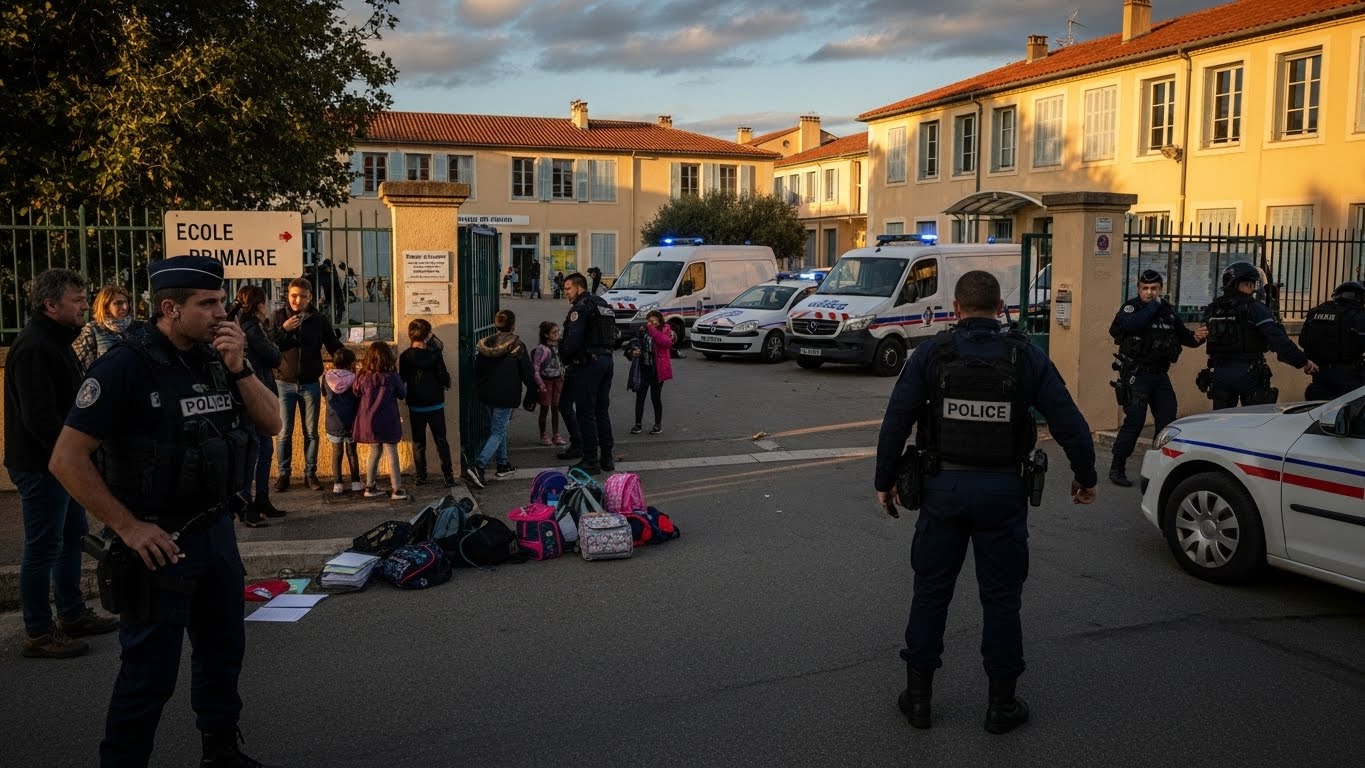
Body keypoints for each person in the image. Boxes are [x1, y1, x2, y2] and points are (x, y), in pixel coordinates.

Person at [48, 255, 283, 767]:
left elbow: (272, 424)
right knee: (148, 675)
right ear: (171, 309)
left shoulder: (218, 356)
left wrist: (240, 366)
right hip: (159, 545)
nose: (222, 313)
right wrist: (128, 527)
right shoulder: (125, 365)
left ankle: (221, 752)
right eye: (210, 304)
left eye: (222, 301)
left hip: (216, 532)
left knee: (223, 655)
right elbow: (66, 459)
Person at [874, 270, 1097, 735]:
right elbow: (1067, 420)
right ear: (1000, 310)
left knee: (931, 592)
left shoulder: (932, 354)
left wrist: (884, 480)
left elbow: (897, 419)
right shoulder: (1025, 356)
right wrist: (1085, 475)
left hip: (944, 490)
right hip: (1003, 493)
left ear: (956, 309)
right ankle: (1001, 705)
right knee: (1001, 599)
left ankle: (918, 700)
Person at [5, 268, 117, 659]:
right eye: (76, 299)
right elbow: (40, 418)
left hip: (58, 464)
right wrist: (69, 460)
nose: (85, 305)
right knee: (43, 548)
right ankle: (38, 630)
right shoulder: (34, 347)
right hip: (44, 466)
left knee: (71, 538)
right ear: (51, 305)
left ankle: (72, 613)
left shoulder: (55, 340)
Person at [1106, 270, 1207, 487]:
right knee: (1134, 422)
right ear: (1138, 289)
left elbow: (1184, 337)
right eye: (1145, 288)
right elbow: (1131, 326)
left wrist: (1197, 338)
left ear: (1160, 289)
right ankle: (1117, 468)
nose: (1150, 293)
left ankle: (1160, 471)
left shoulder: (1167, 312)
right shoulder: (1131, 308)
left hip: (1160, 377)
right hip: (1137, 375)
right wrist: (1153, 306)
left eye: (1154, 289)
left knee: (1167, 424)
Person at [1201, 261, 1317, 410]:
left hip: (1219, 373)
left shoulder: (1213, 308)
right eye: (1253, 284)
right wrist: (1303, 362)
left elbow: (1201, 336)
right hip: (1248, 374)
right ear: (1246, 285)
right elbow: (1279, 341)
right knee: (1256, 421)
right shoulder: (1254, 308)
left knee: (1220, 420)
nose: (1254, 289)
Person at [269, 277, 343, 491]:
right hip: (284, 382)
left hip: (310, 382)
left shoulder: (319, 320)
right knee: (284, 432)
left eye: (302, 296)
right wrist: (284, 329)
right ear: (287, 296)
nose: (297, 300)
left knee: (311, 432)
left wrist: (345, 363)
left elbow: (333, 344)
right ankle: (284, 474)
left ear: (310, 297)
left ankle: (311, 473)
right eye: (293, 295)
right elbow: (270, 343)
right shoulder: (278, 316)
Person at [464, 309, 536, 489]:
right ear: (513, 326)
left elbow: (477, 370)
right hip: (506, 395)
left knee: (498, 429)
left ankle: (503, 463)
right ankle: (478, 465)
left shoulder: (485, 344)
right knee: (498, 431)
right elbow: (527, 372)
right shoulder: (517, 346)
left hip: (487, 394)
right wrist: (532, 393)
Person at [235, 285, 285, 525]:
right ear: (258, 304)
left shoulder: (244, 325)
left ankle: (261, 499)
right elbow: (273, 355)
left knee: (263, 449)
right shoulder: (252, 327)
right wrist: (274, 347)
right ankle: (247, 504)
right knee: (256, 450)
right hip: (255, 392)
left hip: (256, 391)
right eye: (265, 302)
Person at [560, 272, 617, 474]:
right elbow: (614, 334)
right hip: (606, 360)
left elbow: (573, 340)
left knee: (586, 413)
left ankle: (591, 459)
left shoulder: (581, 307)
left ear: (578, 286)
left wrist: (564, 358)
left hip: (588, 364)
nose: (565, 293)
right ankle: (607, 458)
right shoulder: (603, 303)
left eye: (568, 289)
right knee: (601, 411)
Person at [399, 318, 455, 487]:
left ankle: (421, 476)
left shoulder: (405, 356)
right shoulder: (435, 354)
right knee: (441, 440)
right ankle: (448, 476)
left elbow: (403, 379)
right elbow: (443, 376)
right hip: (435, 402)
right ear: (426, 336)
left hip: (416, 403)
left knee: (418, 442)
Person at [352, 341, 408, 500]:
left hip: (369, 421)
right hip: (388, 419)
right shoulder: (392, 377)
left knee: (374, 453)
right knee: (392, 454)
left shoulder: (363, 377)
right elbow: (402, 394)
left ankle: (370, 486)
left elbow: (355, 391)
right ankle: (396, 489)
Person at [1298, 281, 1365, 400]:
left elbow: (1302, 341)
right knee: (1347, 414)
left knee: (1320, 410)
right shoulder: (1359, 316)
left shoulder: (1316, 312)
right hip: (1349, 375)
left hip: (1319, 372)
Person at [74, 284, 145, 371]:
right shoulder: (92, 329)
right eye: (118, 303)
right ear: (105, 306)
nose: (125, 307)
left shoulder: (141, 327)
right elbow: (84, 369)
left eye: (126, 302)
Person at [625, 309, 673, 435]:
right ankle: (638, 424)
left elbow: (665, 342)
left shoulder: (665, 329)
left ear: (659, 319)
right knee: (640, 397)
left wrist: (652, 330)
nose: (650, 323)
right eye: (648, 321)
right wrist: (635, 350)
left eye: (652, 320)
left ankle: (658, 424)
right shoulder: (644, 330)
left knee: (655, 398)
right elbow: (636, 343)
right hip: (644, 368)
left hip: (657, 370)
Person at [323, 347, 363, 495]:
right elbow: (359, 396)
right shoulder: (355, 378)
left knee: (337, 453)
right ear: (350, 363)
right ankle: (356, 482)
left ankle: (337, 483)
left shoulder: (326, 378)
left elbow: (324, 395)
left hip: (333, 421)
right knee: (352, 452)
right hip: (352, 421)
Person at [532, 321, 567, 446]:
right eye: (554, 332)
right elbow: (535, 368)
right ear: (546, 335)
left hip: (558, 380)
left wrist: (563, 376)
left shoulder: (561, 346)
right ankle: (543, 434)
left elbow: (562, 363)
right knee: (545, 408)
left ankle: (556, 434)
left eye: (558, 331)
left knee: (556, 407)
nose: (558, 334)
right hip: (545, 381)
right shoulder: (542, 349)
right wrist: (540, 384)